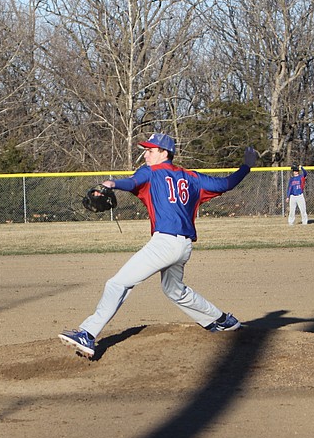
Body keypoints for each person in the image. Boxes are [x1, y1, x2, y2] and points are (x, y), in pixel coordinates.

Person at [58, 132, 258, 358]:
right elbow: (227, 183)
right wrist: (246, 166)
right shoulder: (191, 177)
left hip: (164, 243)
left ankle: (87, 333)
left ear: (165, 153)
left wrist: (111, 183)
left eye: (151, 150)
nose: (145, 154)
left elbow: (133, 182)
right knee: (174, 290)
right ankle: (222, 320)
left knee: (117, 284)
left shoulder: (151, 172)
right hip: (183, 247)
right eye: (146, 150)